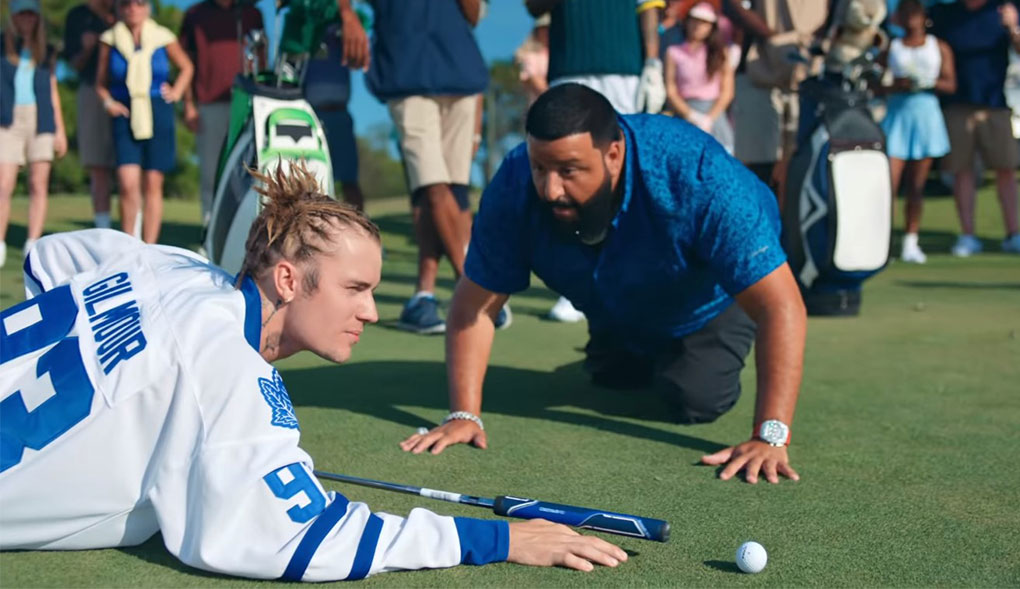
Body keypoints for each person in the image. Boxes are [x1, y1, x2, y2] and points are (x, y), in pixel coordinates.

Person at [0, 164, 628, 580]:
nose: (372, 310)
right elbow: (306, 537)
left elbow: (48, 259)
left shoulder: (169, 265)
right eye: (355, 288)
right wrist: (500, 541)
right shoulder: (229, 371)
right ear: (288, 279)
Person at [402, 84, 807, 486]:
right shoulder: (513, 183)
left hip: (705, 302)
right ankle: (630, 346)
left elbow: (780, 306)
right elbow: (475, 305)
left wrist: (770, 435)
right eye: (540, 168)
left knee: (694, 399)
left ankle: (673, 353)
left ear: (613, 154)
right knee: (614, 377)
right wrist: (463, 414)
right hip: (614, 296)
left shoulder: (699, 174)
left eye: (568, 171)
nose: (549, 189)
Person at [366, 0, 501, 334]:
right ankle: (471, 288)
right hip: (406, 77)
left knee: (453, 192)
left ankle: (423, 295)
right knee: (433, 187)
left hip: (460, 76)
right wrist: (345, 17)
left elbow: (472, 14)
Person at [525, 0, 664, 323]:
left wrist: (653, 60)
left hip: (624, 67)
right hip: (569, 66)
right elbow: (534, 6)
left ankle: (629, 276)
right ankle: (577, 283)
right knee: (568, 183)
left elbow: (648, 6)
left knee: (623, 173)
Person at [95, 0, 193, 244]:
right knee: (128, 183)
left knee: (152, 183)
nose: (133, 9)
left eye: (139, 3)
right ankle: (130, 244)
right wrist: (108, 103)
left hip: (157, 110)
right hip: (125, 112)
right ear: (120, 8)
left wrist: (177, 92)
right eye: (127, 4)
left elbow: (186, 67)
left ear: (147, 7)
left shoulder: (162, 37)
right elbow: (100, 83)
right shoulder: (110, 39)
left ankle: (149, 248)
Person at [931, 0, 1020, 256]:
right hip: (957, 104)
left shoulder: (1004, 10)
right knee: (962, 171)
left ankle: (1013, 233)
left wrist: (1013, 27)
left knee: (1005, 169)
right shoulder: (946, 13)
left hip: (995, 104)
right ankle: (968, 235)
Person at [724, 0, 829, 198]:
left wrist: (810, 41)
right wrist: (774, 39)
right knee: (758, 168)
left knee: (801, 166)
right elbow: (731, 4)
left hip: (810, 76)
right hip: (760, 73)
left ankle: (789, 226)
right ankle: (757, 224)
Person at [880, 0, 956, 263]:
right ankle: (883, 242)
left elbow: (950, 83)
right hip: (898, 116)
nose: (911, 20)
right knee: (888, 185)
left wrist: (927, 82)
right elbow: (876, 84)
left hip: (925, 116)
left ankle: (911, 241)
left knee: (916, 186)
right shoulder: (893, 47)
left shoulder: (939, 47)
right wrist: (895, 85)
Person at [179, 0, 264, 226]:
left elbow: (261, 56)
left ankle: (247, 232)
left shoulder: (251, 13)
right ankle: (209, 235)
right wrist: (188, 104)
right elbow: (186, 61)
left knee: (250, 172)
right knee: (210, 173)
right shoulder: (195, 15)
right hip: (208, 104)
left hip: (248, 103)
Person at [0, 0, 68, 269]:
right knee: (3, 184)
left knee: (39, 184)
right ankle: (0, 243)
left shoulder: (47, 51)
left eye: (31, 13)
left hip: (41, 120)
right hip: (8, 119)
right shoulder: (1, 45)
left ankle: (32, 242)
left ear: (37, 18)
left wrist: (60, 130)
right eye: (22, 13)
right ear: (13, 17)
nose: (26, 18)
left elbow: (52, 91)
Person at [63, 0, 117, 231]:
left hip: (129, 93)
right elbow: (74, 64)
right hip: (92, 93)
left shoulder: (125, 8)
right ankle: (102, 230)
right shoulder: (78, 16)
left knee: (131, 169)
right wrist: (88, 47)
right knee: (98, 166)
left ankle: (134, 233)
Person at [304, 21, 365, 210]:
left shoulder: (345, 27)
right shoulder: (301, 27)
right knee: (312, 181)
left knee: (349, 180)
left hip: (339, 113)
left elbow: (358, 59)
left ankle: (362, 230)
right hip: (311, 116)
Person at [664, 2, 736, 153]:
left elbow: (727, 92)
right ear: (687, 21)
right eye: (695, 20)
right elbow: (671, 90)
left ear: (711, 27)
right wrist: (691, 115)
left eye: (704, 23)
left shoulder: (720, 53)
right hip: (685, 115)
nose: (698, 26)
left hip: (715, 119)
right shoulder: (673, 52)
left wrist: (709, 118)